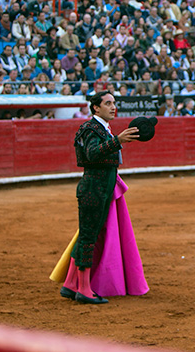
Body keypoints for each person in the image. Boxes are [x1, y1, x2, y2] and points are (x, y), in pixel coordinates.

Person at [50, 91, 148, 304]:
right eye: (108, 103)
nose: (113, 107)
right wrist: (117, 141)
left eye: (114, 103)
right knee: (88, 238)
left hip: (102, 188)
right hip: (94, 188)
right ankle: (84, 288)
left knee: (88, 235)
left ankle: (70, 284)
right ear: (96, 108)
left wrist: (116, 140)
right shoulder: (90, 128)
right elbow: (92, 155)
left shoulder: (102, 128)